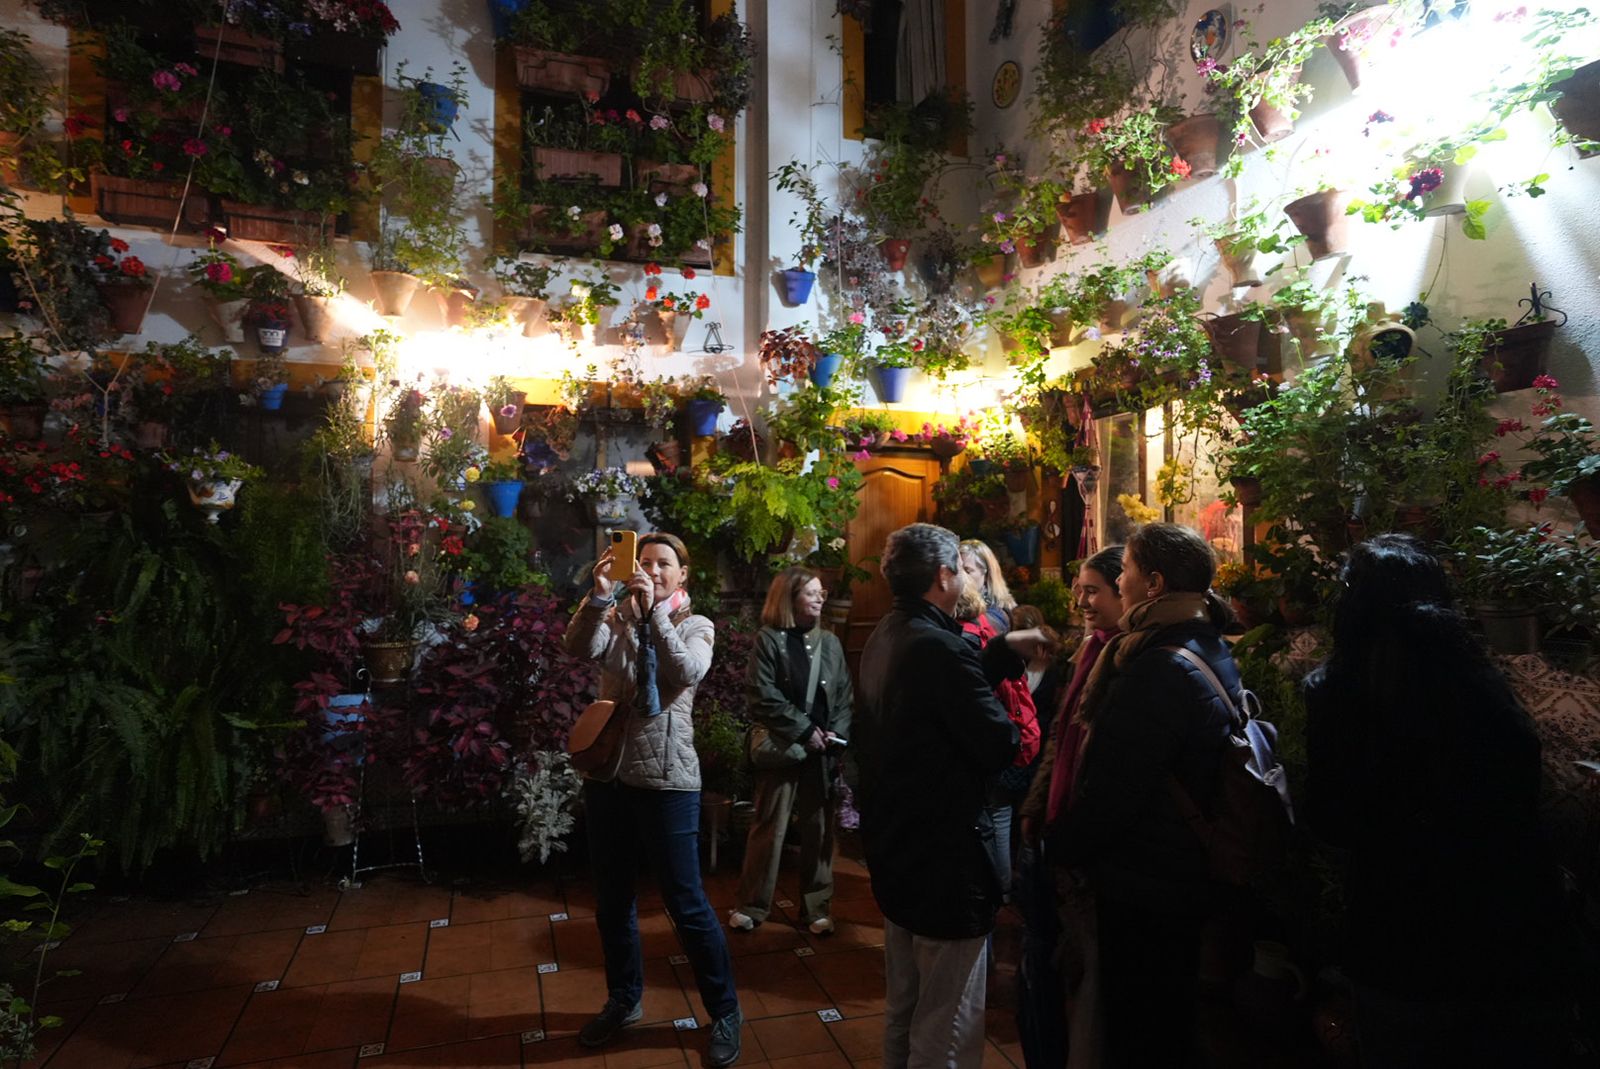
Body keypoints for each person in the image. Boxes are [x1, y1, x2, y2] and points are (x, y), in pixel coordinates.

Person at [1303, 534, 1576, 1068]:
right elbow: (1521, 795)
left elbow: (1332, 819)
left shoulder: (1339, 690)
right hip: (1507, 930)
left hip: (1399, 933)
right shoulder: (1481, 682)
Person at [857, 523, 1045, 1069]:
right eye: (960, 568)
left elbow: (931, 703)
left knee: (906, 1006)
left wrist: (1000, 654)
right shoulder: (939, 646)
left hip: (899, 851)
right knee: (950, 1020)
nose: (966, 575)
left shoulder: (890, 631)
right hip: (945, 859)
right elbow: (999, 743)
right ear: (943, 576)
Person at [1048, 526, 1233, 1069]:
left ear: (1152, 583)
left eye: (1124, 570)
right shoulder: (1205, 641)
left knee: (1141, 1025)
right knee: (1165, 1015)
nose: (1119, 581)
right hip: (1177, 869)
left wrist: (1062, 845)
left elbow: (1117, 787)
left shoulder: (1157, 666)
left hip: (1148, 877)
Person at [562, 532, 742, 1067]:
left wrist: (652, 616)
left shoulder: (696, 625)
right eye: (645, 562)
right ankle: (624, 998)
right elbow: (577, 647)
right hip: (608, 777)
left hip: (667, 779)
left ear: (682, 576)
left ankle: (725, 1010)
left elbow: (685, 671)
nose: (654, 570)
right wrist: (598, 597)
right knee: (613, 902)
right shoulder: (613, 617)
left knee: (686, 905)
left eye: (665, 564)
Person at [1017, 545, 1124, 1069]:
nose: (1081, 600)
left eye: (1094, 590)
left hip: (1085, 838)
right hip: (1056, 824)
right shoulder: (1089, 649)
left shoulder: (1125, 656)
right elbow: (1062, 737)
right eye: (1078, 589)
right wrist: (1038, 803)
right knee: (1044, 959)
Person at [729, 567, 853, 935]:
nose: (820, 598)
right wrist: (803, 731)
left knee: (819, 831)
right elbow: (762, 696)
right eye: (812, 592)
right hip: (784, 747)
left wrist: (836, 735)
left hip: (822, 752)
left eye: (822, 593)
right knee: (770, 827)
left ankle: (816, 908)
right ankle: (752, 905)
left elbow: (845, 695)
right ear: (789, 598)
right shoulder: (769, 639)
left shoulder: (829, 642)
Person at [954, 578, 1040, 902]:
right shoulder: (997, 623)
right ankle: (1001, 889)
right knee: (1000, 813)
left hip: (992, 735)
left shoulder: (964, 636)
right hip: (1010, 733)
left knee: (994, 814)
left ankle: (997, 888)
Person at [959, 539, 1017, 634]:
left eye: (967, 571)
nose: (961, 576)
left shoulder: (998, 613)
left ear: (986, 574)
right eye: (957, 570)